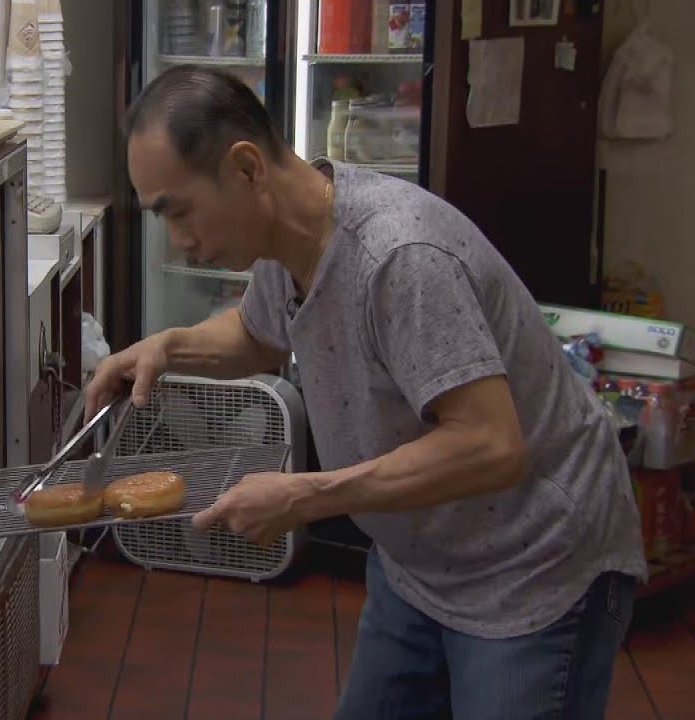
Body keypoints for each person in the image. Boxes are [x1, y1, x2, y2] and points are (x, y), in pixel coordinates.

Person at [86, 65, 646, 719]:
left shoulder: (399, 257)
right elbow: (259, 334)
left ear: (246, 170)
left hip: (533, 565)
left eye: (176, 211)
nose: (178, 239)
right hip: (422, 563)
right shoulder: (285, 241)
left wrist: (304, 495)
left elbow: (491, 445)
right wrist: (169, 346)